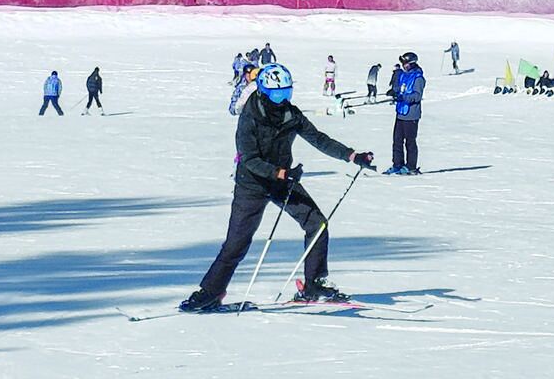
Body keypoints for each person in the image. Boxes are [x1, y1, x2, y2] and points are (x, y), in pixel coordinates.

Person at [180, 63, 375, 312]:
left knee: (317, 224)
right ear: (263, 92)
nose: (282, 99)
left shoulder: (290, 114)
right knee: (236, 244)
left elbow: (318, 138)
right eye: (276, 94)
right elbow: (249, 159)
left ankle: (314, 284)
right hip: (252, 185)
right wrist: (281, 173)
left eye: (286, 93)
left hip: (282, 182)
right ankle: (210, 292)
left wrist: (352, 155)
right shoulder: (250, 117)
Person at [385, 52, 425, 175]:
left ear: (412, 63)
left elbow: (417, 96)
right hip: (400, 113)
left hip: (411, 115)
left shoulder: (418, 78)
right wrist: (394, 92)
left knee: (410, 142)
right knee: (397, 140)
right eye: (403, 64)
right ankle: (397, 164)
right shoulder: (403, 75)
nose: (404, 66)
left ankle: (411, 166)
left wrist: (404, 97)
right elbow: (400, 88)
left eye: (406, 63)